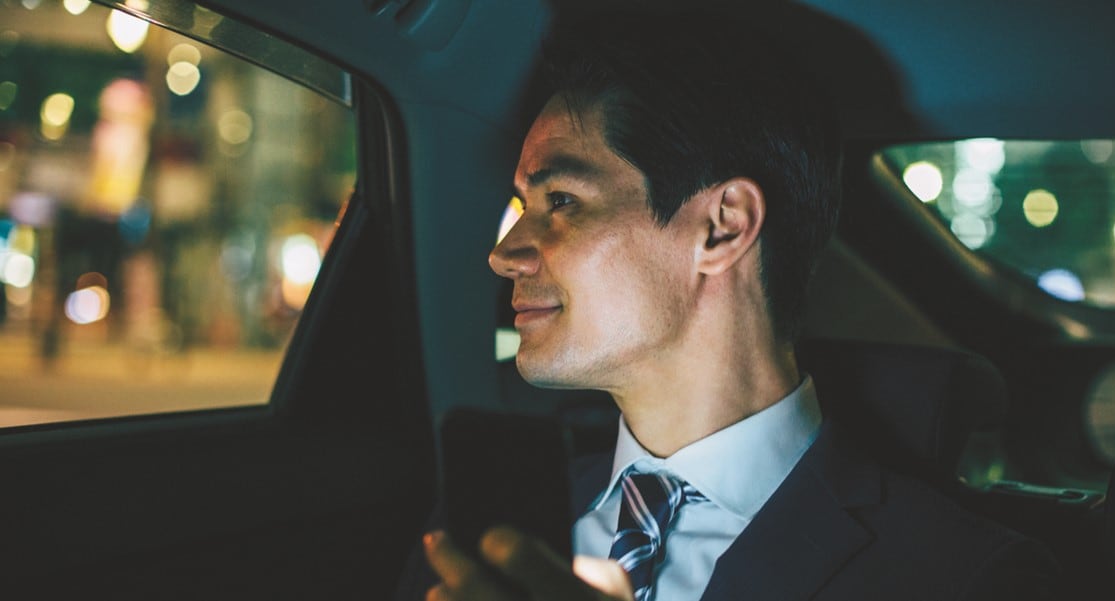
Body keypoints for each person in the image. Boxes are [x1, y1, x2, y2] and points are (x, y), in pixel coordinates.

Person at [414, 3, 1059, 600]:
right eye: (524, 207)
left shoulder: (965, 576)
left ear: (722, 226)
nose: (504, 254)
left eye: (561, 203)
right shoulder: (482, 525)